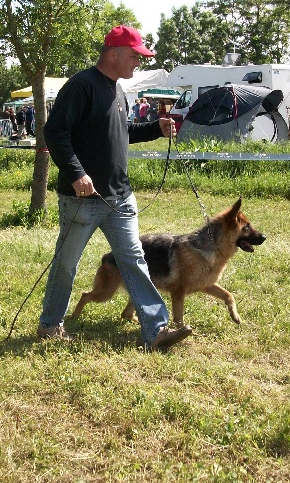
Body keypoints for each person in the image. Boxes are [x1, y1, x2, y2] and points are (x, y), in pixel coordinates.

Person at [39, 24, 192, 352]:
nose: (139, 62)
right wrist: (77, 174)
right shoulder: (81, 86)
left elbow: (121, 131)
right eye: (135, 56)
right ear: (114, 53)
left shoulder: (118, 89)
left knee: (135, 259)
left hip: (119, 197)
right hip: (82, 199)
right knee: (67, 263)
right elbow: (55, 133)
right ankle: (50, 325)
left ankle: (156, 330)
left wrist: (155, 129)